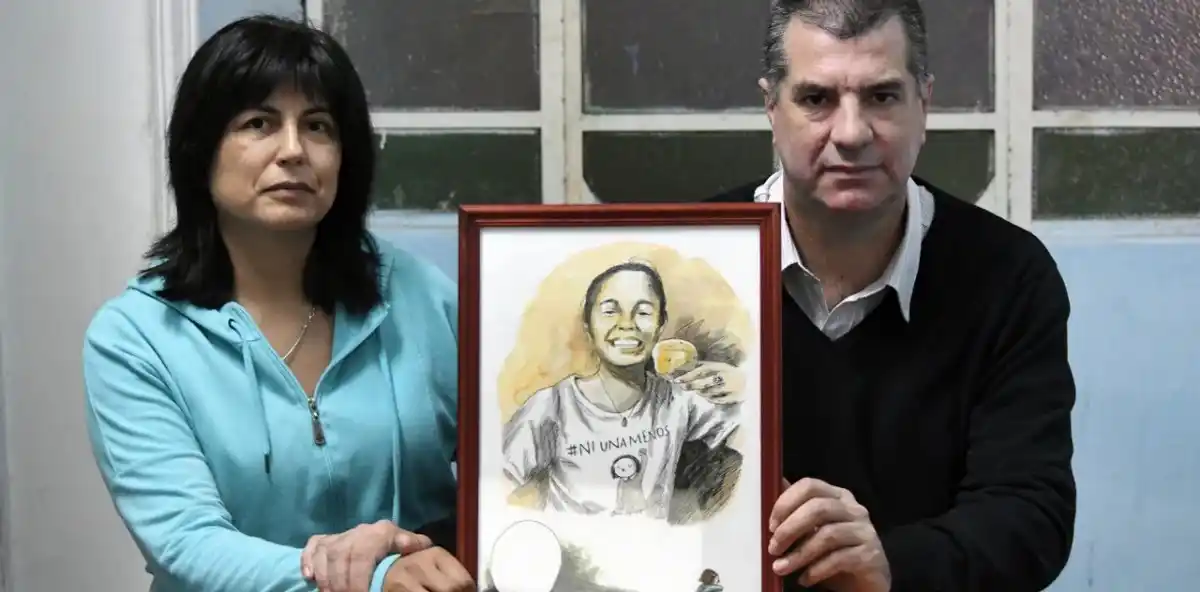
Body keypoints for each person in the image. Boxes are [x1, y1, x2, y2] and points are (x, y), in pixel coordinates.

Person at [81, 15, 472, 592]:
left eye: (317, 126)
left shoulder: (422, 295)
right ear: (201, 148)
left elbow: (511, 474)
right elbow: (187, 543)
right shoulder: (134, 338)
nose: (293, 151)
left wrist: (413, 547)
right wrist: (370, 578)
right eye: (258, 123)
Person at [707, 1, 1076, 590]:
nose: (851, 133)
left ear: (923, 104)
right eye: (816, 99)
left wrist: (889, 564)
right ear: (771, 107)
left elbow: (1031, 514)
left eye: (881, 96)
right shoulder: (687, 262)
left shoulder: (1007, 275)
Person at [501, 261, 745, 523]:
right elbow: (492, 481)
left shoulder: (678, 400)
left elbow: (750, 436)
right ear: (588, 322)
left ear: (660, 323)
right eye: (610, 311)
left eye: (643, 312)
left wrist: (744, 383)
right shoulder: (553, 405)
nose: (627, 324)